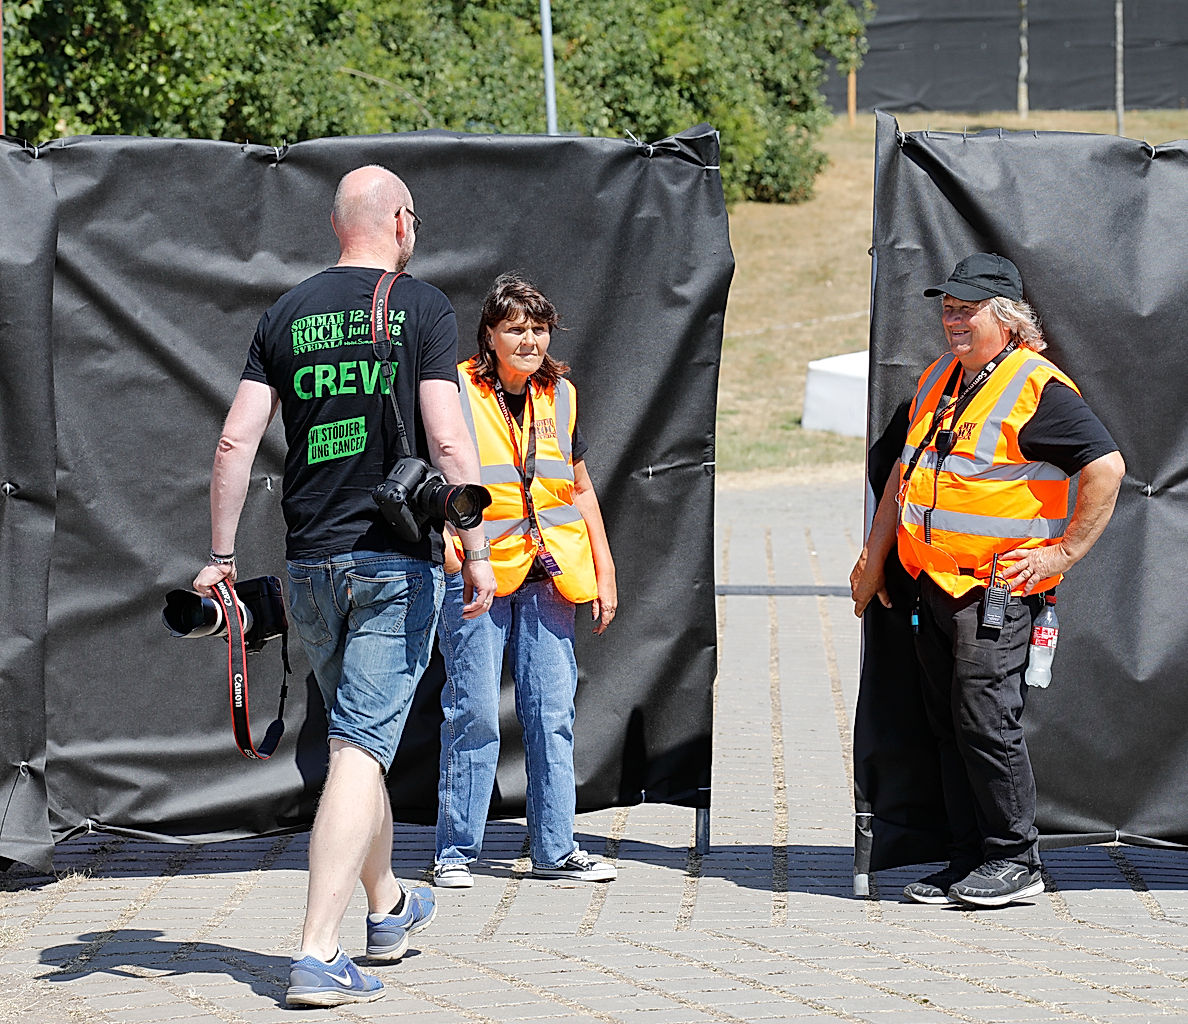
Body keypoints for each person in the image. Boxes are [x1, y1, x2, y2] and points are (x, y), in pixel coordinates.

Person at [192, 165, 496, 1006]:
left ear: (337, 227)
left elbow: (233, 446)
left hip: (308, 571)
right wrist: (476, 551)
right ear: (399, 221)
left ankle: (389, 908)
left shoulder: (284, 313)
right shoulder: (421, 306)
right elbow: (450, 442)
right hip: (394, 564)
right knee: (361, 752)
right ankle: (317, 954)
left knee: (359, 742)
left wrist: (220, 561)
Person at [849, 253, 1125, 909]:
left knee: (984, 724)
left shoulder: (1037, 388)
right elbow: (904, 474)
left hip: (994, 595)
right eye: (948, 308)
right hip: (934, 587)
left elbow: (1107, 469)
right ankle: (970, 857)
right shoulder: (943, 378)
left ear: (1006, 320)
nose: (952, 321)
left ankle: (1014, 860)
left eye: (967, 310)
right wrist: (874, 556)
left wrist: (1062, 556)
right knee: (948, 727)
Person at [432, 272, 618, 889]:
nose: (529, 340)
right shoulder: (453, 389)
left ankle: (556, 848)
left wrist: (605, 568)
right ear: (490, 334)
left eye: (538, 329)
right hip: (476, 574)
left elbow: (580, 488)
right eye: (515, 328)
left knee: (551, 713)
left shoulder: (560, 395)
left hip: (550, 575)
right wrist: (450, 549)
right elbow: (430, 476)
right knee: (474, 713)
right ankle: (456, 854)